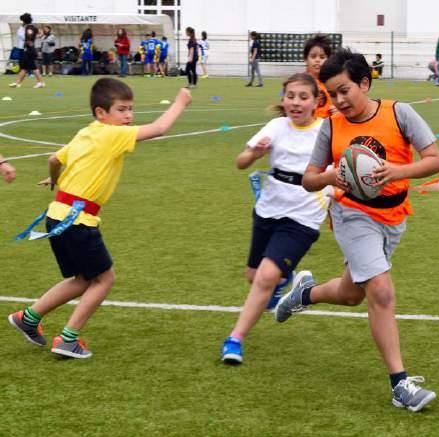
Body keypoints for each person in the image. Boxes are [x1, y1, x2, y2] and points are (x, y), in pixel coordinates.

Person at [274, 48, 439, 412]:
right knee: (380, 291)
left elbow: (436, 159)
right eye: (331, 94)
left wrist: (397, 171)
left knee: (352, 294)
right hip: (352, 215)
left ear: (364, 83)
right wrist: (329, 177)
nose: (338, 100)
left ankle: (305, 294)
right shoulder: (332, 125)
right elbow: (308, 179)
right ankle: (401, 386)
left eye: (345, 91)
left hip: (393, 216)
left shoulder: (400, 114)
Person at [7, 79, 192, 359]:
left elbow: (54, 160)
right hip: (78, 221)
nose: (128, 116)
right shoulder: (110, 134)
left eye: (131, 109)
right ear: (101, 113)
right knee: (104, 280)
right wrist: (180, 102)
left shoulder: (86, 132)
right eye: (121, 110)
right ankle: (69, 338)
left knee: (83, 279)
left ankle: (29, 318)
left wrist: (57, 182)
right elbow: (160, 128)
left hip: (57, 216)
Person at [221, 72, 329, 364]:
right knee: (254, 276)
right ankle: (285, 278)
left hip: (305, 214)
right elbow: (240, 162)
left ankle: (234, 340)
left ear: (316, 101)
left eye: (303, 97)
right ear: (283, 99)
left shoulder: (326, 131)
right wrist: (254, 154)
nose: (296, 102)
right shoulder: (276, 126)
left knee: (266, 277)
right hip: (268, 209)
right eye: (290, 96)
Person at [9, 13, 45, 88]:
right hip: (29, 50)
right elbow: (40, 33)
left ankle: (41, 82)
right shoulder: (32, 27)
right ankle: (17, 83)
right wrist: (36, 37)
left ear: (24, 21)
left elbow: (28, 37)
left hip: (29, 50)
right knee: (24, 68)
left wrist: (29, 41)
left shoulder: (29, 28)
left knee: (33, 67)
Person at [303, 34, 335, 118]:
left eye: (322, 57)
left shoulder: (334, 83)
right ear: (306, 60)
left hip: (328, 127)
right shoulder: (298, 82)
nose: (317, 60)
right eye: (313, 56)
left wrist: (338, 110)